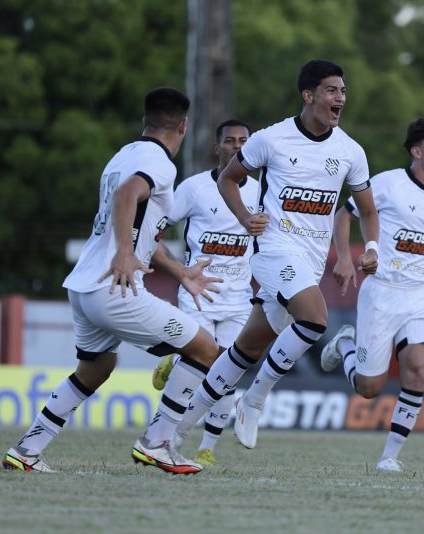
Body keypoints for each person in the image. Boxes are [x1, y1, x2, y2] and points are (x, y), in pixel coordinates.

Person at [2, 87, 221, 475]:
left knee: (96, 368)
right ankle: (157, 443)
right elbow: (126, 197)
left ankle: (27, 449)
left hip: (84, 286)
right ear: (184, 125)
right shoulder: (160, 163)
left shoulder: (122, 155)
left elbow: (140, 231)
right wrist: (123, 252)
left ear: (144, 121)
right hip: (113, 287)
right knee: (205, 349)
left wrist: (180, 271)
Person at [174, 59, 380, 451]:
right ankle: (254, 401)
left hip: (310, 261)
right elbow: (227, 179)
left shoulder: (351, 151)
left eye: (343, 91)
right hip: (272, 251)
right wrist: (245, 216)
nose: (341, 98)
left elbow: (367, 210)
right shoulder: (272, 139)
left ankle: (171, 431)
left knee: (245, 350)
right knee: (316, 320)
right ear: (309, 95)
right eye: (332, 90)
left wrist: (369, 248)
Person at [319, 118, 424, 472]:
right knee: (369, 389)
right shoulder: (386, 184)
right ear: (417, 152)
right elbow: (343, 215)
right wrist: (345, 258)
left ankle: (390, 457)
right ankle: (344, 344)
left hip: (419, 297)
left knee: (418, 368)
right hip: (381, 293)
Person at [151, 118, 257, 465]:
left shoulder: (260, 190)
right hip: (199, 293)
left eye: (244, 140)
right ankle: (164, 434)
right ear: (218, 147)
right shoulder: (194, 188)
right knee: (205, 360)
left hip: (239, 298)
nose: (237, 146)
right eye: (230, 141)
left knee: (228, 370)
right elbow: (158, 224)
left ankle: (207, 447)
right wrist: (173, 268)